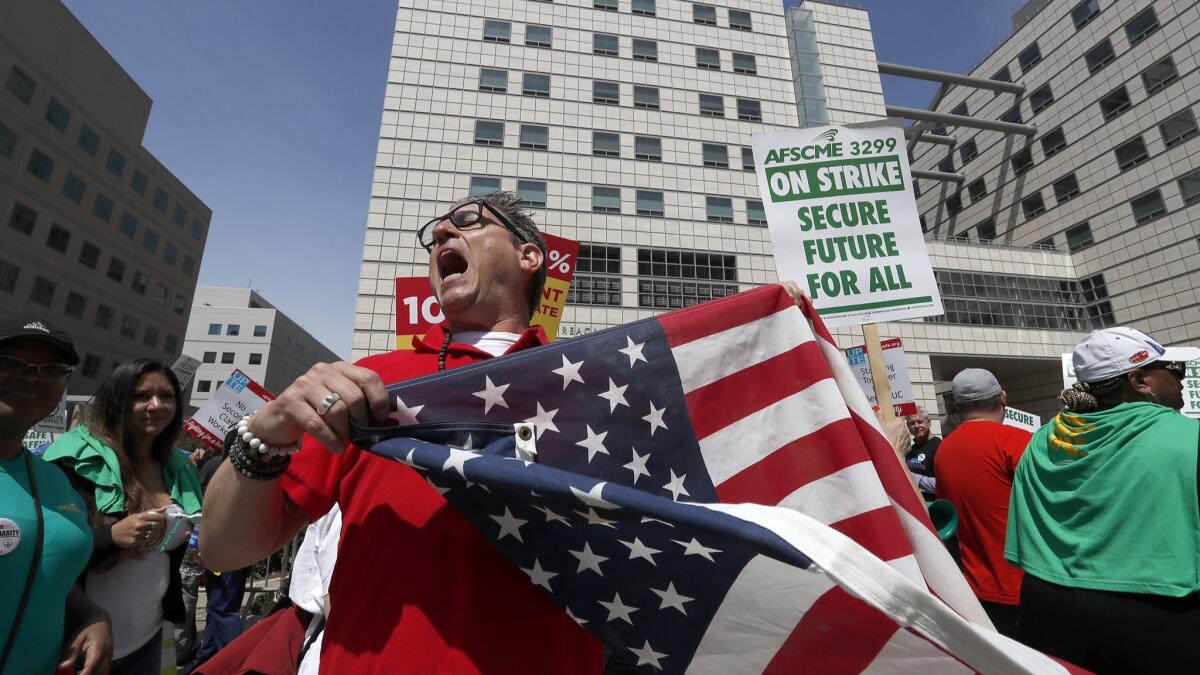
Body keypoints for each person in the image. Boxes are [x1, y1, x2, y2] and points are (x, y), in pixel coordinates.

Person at [200, 192, 604, 673]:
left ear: (529, 256)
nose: (440, 234)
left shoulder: (599, 390)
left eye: (469, 221)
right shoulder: (366, 385)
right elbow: (225, 548)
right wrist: (263, 436)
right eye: (434, 233)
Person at [1007, 327, 1200, 672]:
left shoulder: (1041, 440)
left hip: (1047, 606)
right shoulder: (1188, 437)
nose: (1181, 379)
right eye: (1174, 370)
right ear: (1140, 380)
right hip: (1158, 609)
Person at [44, 359, 203, 674]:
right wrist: (111, 537)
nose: (156, 405)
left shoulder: (180, 468)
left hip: (149, 636)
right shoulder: (76, 461)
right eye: (141, 396)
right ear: (116, 400)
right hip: (80, 645)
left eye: (167, 396)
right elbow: (45, 552)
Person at [0, 313, 111, 675]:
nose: (32, 377)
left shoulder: (53, 479)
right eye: (10, 363)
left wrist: (89, 613)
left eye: (51, 369)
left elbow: (39, 567)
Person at [934, 368, 1029, 638]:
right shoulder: (1018, 441)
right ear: (1003, 398)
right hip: (1023, 588)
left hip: (972, 588)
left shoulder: (944, 450)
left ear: (955, 406)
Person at [905, 407, 941, 499]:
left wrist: (914, 479)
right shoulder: (909, 450)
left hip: (934, 506)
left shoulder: (940, 447)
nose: (916, 426)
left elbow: (945, 484)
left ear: (929, 423)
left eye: (920, 421)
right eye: (912, 423)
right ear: (908, 427)